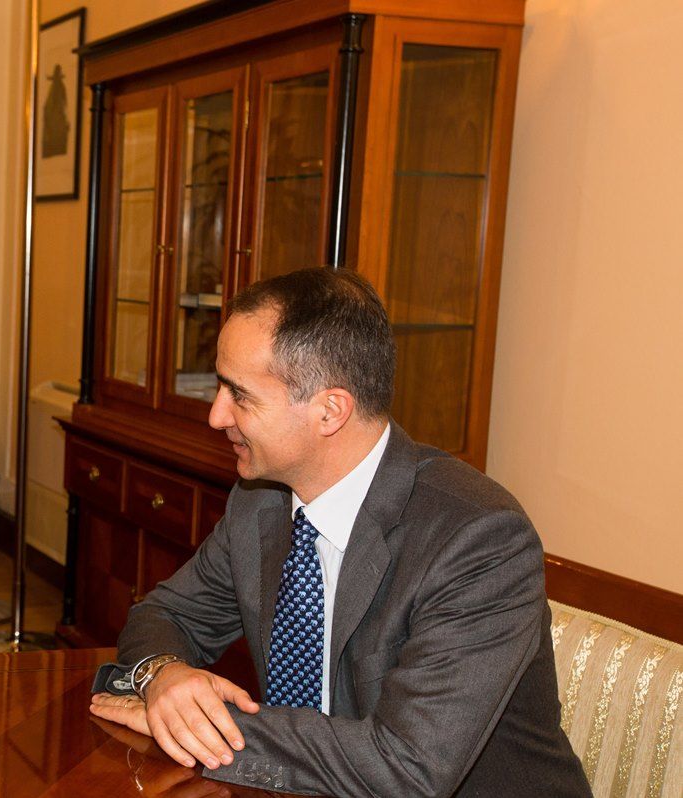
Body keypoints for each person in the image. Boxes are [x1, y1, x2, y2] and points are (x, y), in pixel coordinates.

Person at [89, 268, 587, 797]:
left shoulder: (479, 540)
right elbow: (165, 615)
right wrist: (164, 675)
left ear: (330, 411)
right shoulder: (261, 503)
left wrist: (202, 729)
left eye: (240, 395)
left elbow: (408, 769)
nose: (215, 416)